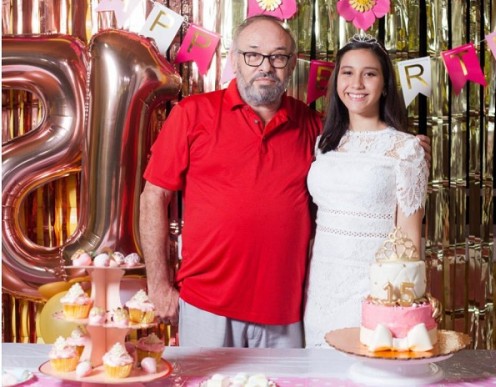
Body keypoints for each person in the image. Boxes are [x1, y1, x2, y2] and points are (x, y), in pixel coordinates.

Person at [140, 15, 430, 348]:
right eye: (253, 54)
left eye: (278, 56)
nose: (265, 66)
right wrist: (158, 284)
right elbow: (153, 198)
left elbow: (363, 157)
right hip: (207, 303)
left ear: (291, 65)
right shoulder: (192, 113)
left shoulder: (315, 127)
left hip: (288, 310)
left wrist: (411, 153)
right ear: (234, 59)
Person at [303, 34, 429, 347]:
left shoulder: (407, 148)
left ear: (385, 84)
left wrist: (398, 307)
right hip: (321, 289)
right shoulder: (325, 144)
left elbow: (409, 239)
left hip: (373, 293)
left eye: (369, 73)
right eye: (347, 72)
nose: (356, 83)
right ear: (335, 81)